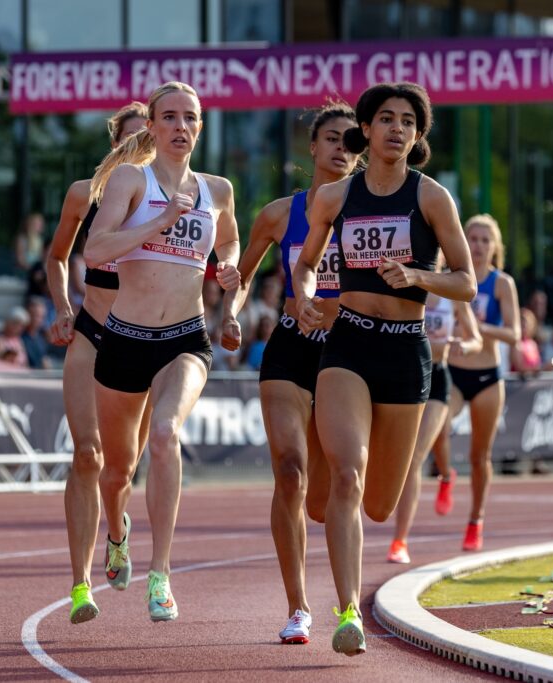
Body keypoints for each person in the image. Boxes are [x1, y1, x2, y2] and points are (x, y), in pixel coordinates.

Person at [292, 82, 476, 656]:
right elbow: (304, 265)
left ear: (417, 137)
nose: (397, 129)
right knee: (348, 478)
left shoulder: (432, 198)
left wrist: (419, 276)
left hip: (405, 350)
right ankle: (347, 611)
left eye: (408, 122)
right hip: (348, 343)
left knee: (379, 504)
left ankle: (330, 466)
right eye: (386, 119)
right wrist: (304, 297)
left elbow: (466, 282)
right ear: (365, 130)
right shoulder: (335, 198)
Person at [84, 81, 240, 623]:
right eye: (169, 117)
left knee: (165, 433)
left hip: (185, 339)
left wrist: (230, 273)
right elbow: (94, 251)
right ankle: (118, 532)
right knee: (116, 472)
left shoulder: (218, 189)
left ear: (201, 126)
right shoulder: (132, 179)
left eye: (190, 118)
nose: (180, 127)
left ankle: (162, 574)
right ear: (150, 126)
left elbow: (231, 243)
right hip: (125, 338)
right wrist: (158, 222)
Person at [220, 102, 359, 644]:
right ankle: (299, 607)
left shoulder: (369, 213)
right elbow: (244, 275)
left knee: (324, 499)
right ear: (314, 147)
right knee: (289, 471)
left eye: (350, 141)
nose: (340, 149)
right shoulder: (280, 214)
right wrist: (231, 314)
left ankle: (338, 587)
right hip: (290, 349)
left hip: (346, 354)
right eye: (331, 139)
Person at [44, 101, 150, 624]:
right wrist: (64, 307)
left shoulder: (169, 202)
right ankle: (80, 584)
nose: (137, 151)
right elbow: (57, 255)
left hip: (145, 339)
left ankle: (118, 531)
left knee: (122, 468)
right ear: (114, 145)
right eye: (128, 141)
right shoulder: (85, 195)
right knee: (86, 455)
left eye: (145, 142)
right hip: (92, 331)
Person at [387, 265, 482, 564]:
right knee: (416, 450)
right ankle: (446, 475)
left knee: (414, 457)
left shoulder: (452, 295)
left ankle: (399, 541)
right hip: (403, 374)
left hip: (438, 379)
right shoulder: (405, 280)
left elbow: (475, 338)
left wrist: (462, 346)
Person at [445, 214, 519, 551]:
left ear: (495, 247)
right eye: (472, 238)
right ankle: (446, 472)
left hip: (488, 376)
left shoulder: (502, 284)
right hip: (454, 371)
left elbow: (515, 335)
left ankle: (476, 520)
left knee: (479, 456)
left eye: (484, 240)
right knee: (436, 427)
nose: (477, 246)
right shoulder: (452, 279)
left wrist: (477, 327)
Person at [21, 296, 51, 370]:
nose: (38, 320)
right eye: (34, 315)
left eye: (41, 317)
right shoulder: (18, 336)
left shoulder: (42, 337)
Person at [510, 307, 541, 376]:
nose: (524, 328)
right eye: (522, 325)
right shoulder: (515, 343)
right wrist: (542, 368)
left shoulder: (533, 344)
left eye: (526, 324)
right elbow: (519, 368)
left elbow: (537, 364)